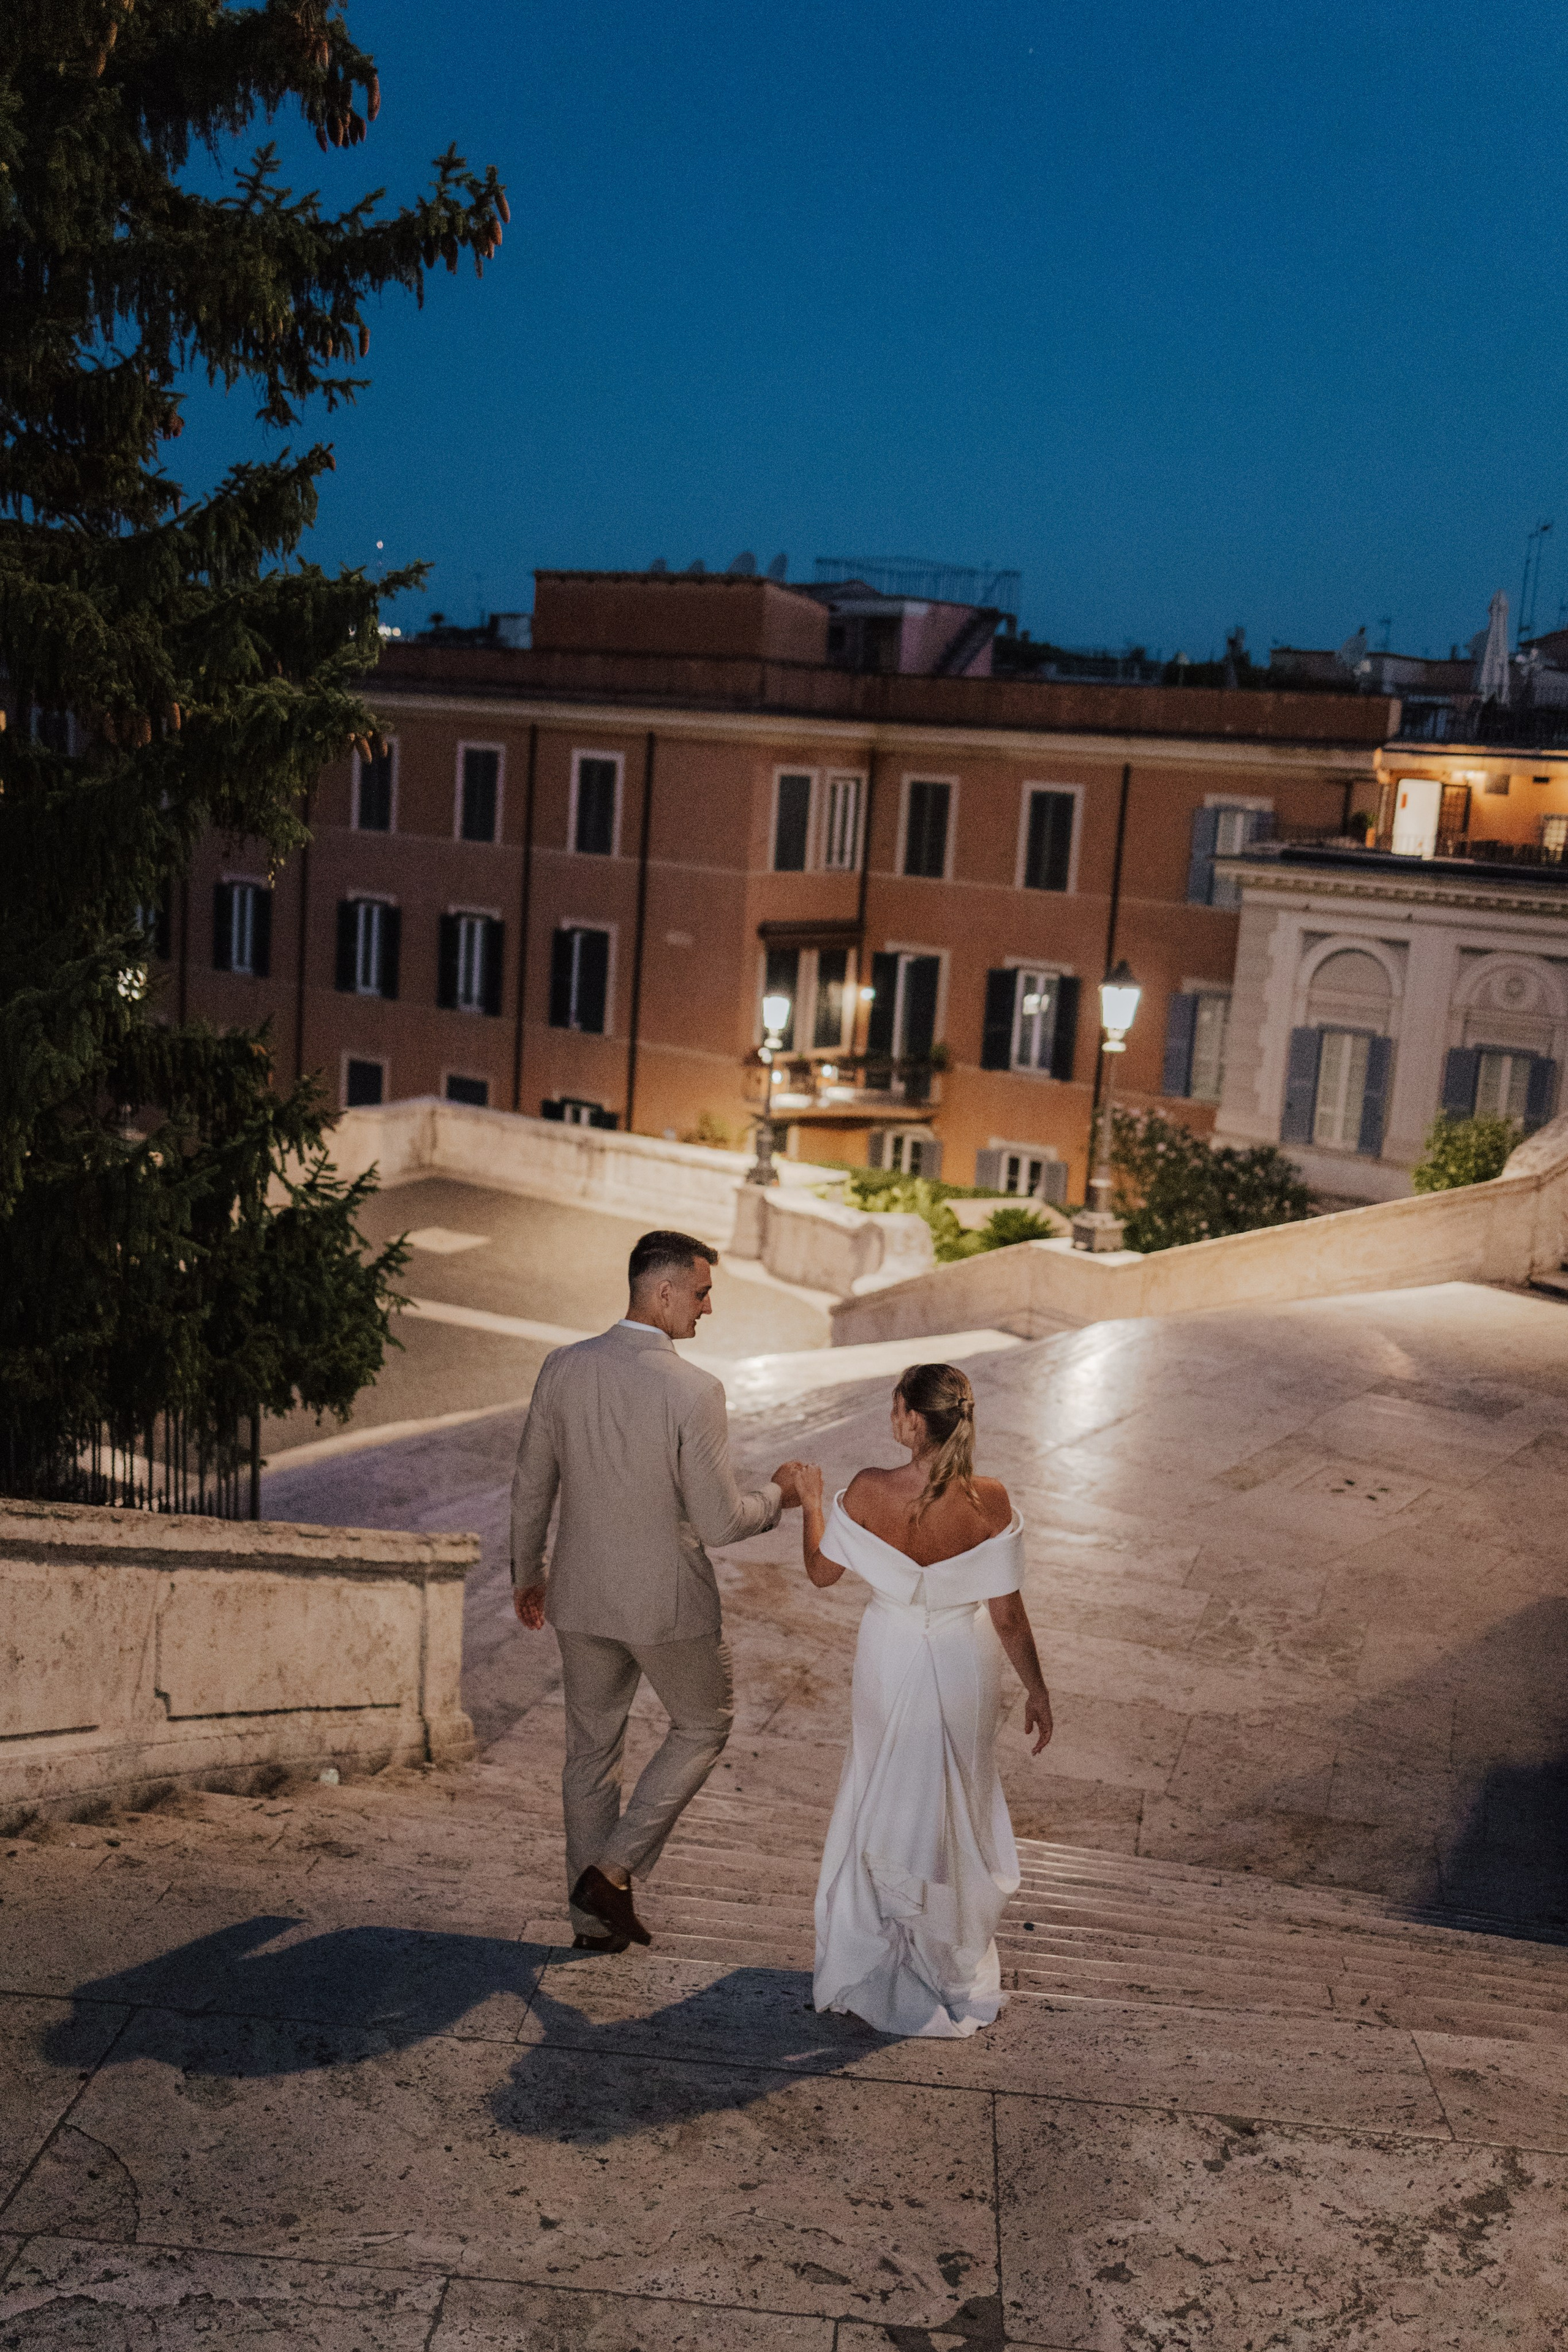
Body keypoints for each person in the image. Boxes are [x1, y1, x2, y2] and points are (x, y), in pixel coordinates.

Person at [511, 1228, 805, 1951]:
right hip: (666, 1604)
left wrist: (528, 1575)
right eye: (702, 1293)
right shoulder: (694, 1390)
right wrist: (780, 1495)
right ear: (664, 1290)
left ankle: (591, 1928)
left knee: (589, 1754)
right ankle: (609, 1874)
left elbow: (529, 1489)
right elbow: (719, 1520)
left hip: (580, 1597)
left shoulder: (562, 1367)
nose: (708, 1309)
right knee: (704, 1724)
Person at [796, 1362, 1052, 2038]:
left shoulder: (868, 1492)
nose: (892, 1417)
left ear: (911, 1419)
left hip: (888, 1653)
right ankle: (949, 1951)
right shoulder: (990, 1500)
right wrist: (1038, 1691)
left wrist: (814, 1499)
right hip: (964, 1662)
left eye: (894, 1406)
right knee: (957, 1798)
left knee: (878, 1782)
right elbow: (1008, 1618)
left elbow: (822, 1572)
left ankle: (874, 1941)